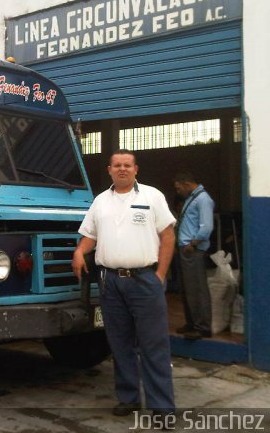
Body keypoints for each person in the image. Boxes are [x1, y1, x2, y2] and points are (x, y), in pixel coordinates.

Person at [72, 149, 176, 418]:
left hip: (144, 281)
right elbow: (90, 235)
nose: (122, 169)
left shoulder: (152, 197)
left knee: (153, 346)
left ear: (136, 169)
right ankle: (128, 398)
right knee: (120, 344)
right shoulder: (100, 202)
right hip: (110, 283)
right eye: (117, 165)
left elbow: (167, 235)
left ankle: (162, 408)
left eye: (127, 165)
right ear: (109, 170)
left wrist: (161, 274)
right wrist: (78, 251)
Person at [173, 171, 215, 340]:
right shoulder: (192, 198)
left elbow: (206, 227)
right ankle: (192, 322)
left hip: (193, 250)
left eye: (178, 188)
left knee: (196, 289)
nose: (178, 192)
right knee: (187, 289)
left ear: (187, 184)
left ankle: (202, 326)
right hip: (185, 249)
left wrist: (193, 244)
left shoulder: (203, 199)